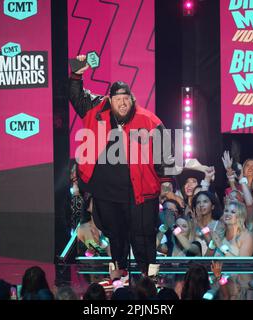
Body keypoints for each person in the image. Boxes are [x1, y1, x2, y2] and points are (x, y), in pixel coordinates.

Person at [68, 55, 174, 277]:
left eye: (126, 98)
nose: (122, 103)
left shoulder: (149, 121)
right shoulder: (96, 109)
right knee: (116, 237)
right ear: (110, 100)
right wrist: (76, 74)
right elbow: (77, 97)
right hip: (107, 193)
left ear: (132, 100)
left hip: (141, 193)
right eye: (118, 99)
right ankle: (118, 280)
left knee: (144, 238)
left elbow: (166, 153)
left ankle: (150, 278)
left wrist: (166, 184)